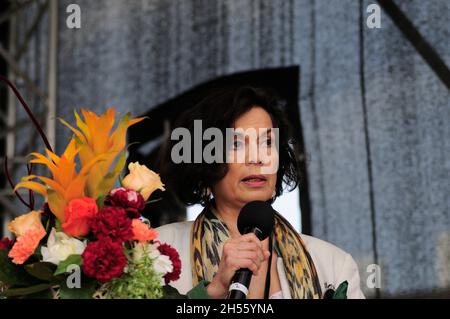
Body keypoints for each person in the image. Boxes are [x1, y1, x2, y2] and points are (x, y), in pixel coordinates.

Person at [156, 86, 365, 299]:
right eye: (236, 144)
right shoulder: (157, 253)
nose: (257, 158)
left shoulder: (333, 265)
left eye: (267, 143)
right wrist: (214, 290)